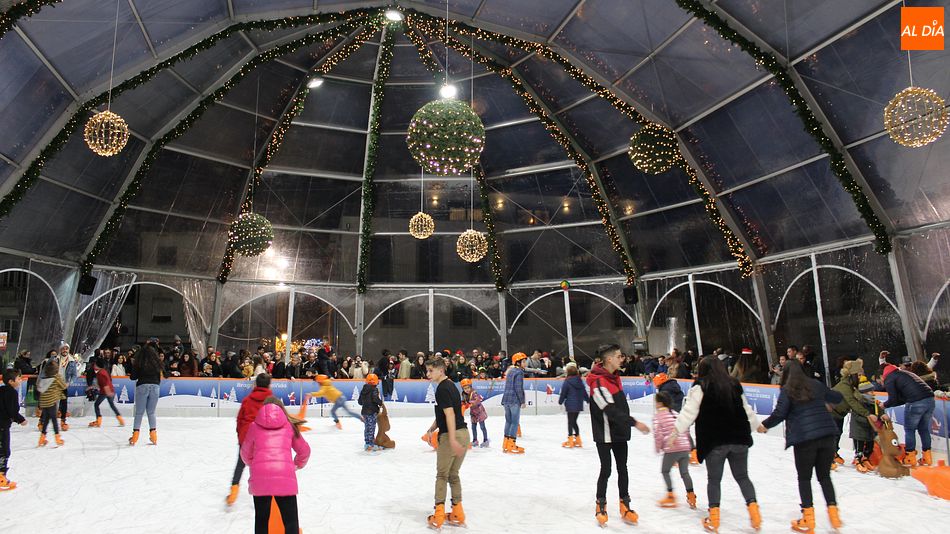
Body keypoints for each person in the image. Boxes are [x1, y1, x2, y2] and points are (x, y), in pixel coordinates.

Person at [671, 356, 760, 532]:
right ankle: (755, 513)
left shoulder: (701, 386)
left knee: (714, 479)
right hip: (739, 439)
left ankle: (714, 518)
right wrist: (758, 426)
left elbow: (689, 412)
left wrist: (675, 432)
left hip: (715, 440)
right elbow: (746, 409)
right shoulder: (734, 384)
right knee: (743, 477)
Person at [758, 359, 844, 533]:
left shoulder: (787, 390)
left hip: (805, 439)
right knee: (824, 477)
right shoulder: (815, 384)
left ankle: (808, 518)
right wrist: (825, 399)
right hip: (827, 435)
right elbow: (837, 397)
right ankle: (834, 517)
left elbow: (780, 413)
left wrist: (765, 425)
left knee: (804, 478)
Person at [587, 343, 650, 527]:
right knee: (606, 469)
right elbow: (610, 410)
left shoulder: (615, 377)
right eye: (619, 356)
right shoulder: (598, 383)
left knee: (623, 468)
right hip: (605, 434)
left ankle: (625, 504)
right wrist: (634, 423)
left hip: (620, 433)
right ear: (609, 359)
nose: (622, 359)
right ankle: (601, 503)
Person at [241, 397, 310, 534]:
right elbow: (305, 451)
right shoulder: (289, 427)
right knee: (291, 521)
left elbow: (245, 454)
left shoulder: (253, 427)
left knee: (261, 520)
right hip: (285, 477)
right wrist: (296, 465)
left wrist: (256, 466)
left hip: (260, 479)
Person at [423, 357, 469, 530]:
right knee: (453, 474)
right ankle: (458, 513)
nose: (428, 374)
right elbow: (445, 414)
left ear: (441, 370)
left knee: (442, 475)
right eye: (427, 370)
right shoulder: (451, 386)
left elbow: (450, 415)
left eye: (431, 371)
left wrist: (451, 439)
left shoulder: (442, 389)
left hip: (452, 435)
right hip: (464, 434)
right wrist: (432, 428)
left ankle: (439, 515)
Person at [227, 373, 273, 506]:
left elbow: (240, 420)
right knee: (263, 467)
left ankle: (234, 490)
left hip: (246, 437)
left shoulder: (247, 400)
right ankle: (264, 493)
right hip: (263, 439)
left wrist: (241, 436)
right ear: (269, 385)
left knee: (240, 464)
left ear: (256, 384)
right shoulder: (272, 400)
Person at [881, 363, 935, 466]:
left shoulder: (889, 378)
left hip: (915, 402)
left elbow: (893, 398)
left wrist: (884, 405)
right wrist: (888, 404)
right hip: (930, 399)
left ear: (883, 375)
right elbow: (901, 399)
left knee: (910, 429)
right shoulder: (905, 374)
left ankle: (910, 457)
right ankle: (927, 457)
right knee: (923, 429)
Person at [653, 391, 695, 509]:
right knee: (684, 472)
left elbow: (658, 434)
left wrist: (658, 448)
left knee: (665, 471)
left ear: (660, 403)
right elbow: (685, 429)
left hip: (672, 448)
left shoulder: (658, 417)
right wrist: (689, 446)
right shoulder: (676, 414)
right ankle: (691, 496)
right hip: (685, 447)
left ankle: (670, 496)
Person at [128, 343, 162, 446]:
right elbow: (159, 378)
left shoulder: (140, 362)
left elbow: (133, 377)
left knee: (139, 413)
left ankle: (135, 435)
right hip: (155, 387)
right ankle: (153, 435)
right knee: (151, 412)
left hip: (142, 386)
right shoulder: (157, 363)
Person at [1, 369, 27, 490]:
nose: (20, 380)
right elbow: (12, 411)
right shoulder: (12, 393)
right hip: (2, 426)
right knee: (4, 451)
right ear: (11, 381)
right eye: (18, 379)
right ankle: (1, 477)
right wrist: (21, 419)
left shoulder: (1, 390)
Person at [36, 361, 67, 447]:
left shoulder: (44, 378)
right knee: (54, 420)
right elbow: (64, 386)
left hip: (44, 402)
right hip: (51, 402)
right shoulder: (56, 378)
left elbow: (39, 389)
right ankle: (57, 438)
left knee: (46, 419)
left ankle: (42, 438)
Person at [501, 352, 527, 454]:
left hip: (506, 399)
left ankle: (505, 444)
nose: (525, 363)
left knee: (508, 421)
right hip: (514, 400)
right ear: (518, 363)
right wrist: (522, 401)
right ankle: (511, 445)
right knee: (514, 422)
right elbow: (518, 388)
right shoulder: (519, 372)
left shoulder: (510, 371)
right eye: (523, 362)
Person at [558, 363, 588, 448]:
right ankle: (578, 439)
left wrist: (560, 401)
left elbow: (563, 393)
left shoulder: (567, 381)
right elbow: (584, 392)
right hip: (578, 404)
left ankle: (570, 440)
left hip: (571, 405)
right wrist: (588, 400)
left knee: (570, 422)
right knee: (574, 421)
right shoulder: (579, 381)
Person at [88, 358, 124, 428]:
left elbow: (105, 384)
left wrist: (108, 392)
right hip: (109, 390)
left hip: (105, 392)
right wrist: (92, 387)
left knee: (96, 404)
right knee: (112, 405)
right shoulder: (103, 371)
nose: (94, 366)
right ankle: (120, 420)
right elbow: (102, 383)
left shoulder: (100, 373)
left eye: (95, 365)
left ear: (97, 365)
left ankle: (98, 420)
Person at [358, 374, 383, 451]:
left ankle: (367, 443)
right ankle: (371, 444)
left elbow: (360, 402)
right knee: (371, 428)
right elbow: (375, 399)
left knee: (367, 428)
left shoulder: (363, 390)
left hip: (364, 412)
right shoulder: (374, 389)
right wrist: (381, 403)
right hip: (372, 412)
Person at [460, 378, 488, 448]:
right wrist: (463, 403)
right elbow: (464, 401)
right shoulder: (464, 394)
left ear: (471, 387)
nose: (467, 390)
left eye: (468, 388)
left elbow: (477, 400)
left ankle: (485, 440)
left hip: (479, 412)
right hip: (473, 413)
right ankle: (475, 440)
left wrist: (469, 403)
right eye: (465, 388)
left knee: (482, 426)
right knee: (473, 427)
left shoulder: (474, 393)